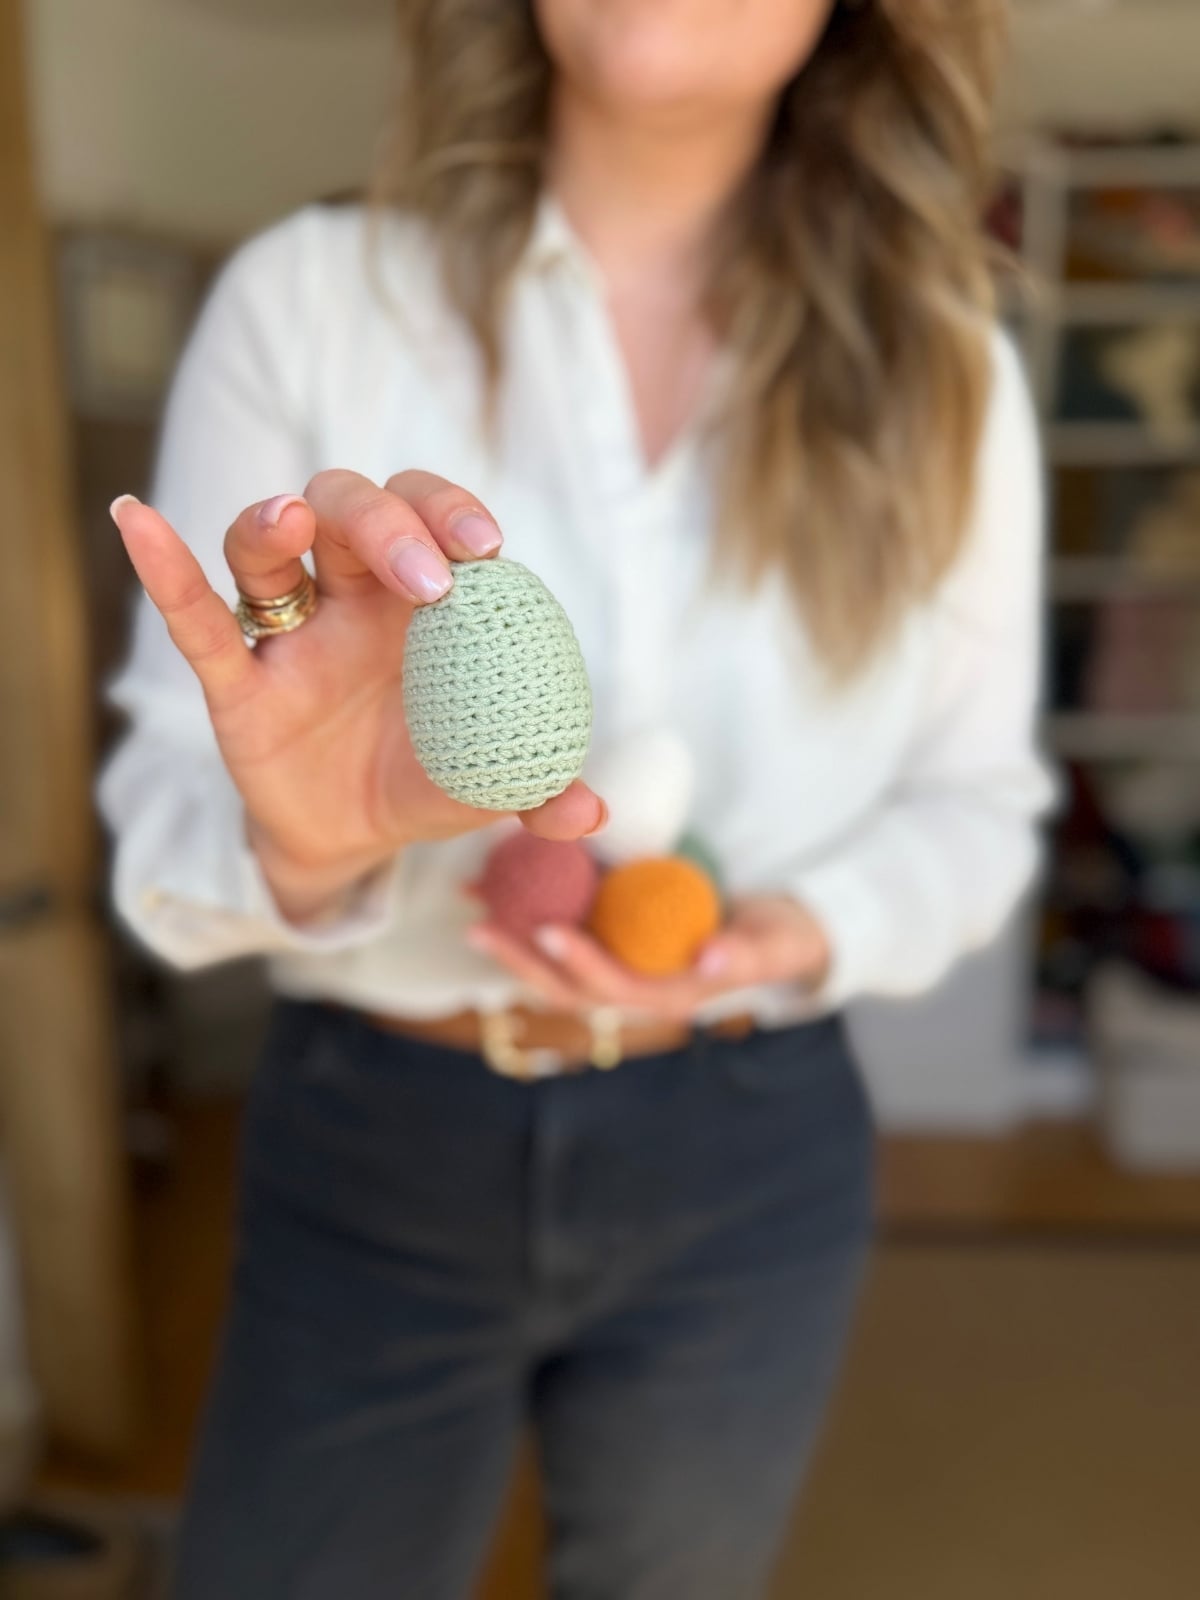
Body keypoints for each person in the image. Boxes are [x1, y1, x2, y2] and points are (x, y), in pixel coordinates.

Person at [102, 1, 1050, 1595]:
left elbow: (976, 807)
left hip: (751, 1144)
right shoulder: (312, 300)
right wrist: (309, 844)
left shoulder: (945, 365)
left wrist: (782, 935)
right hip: (380, 1131)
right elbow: (159, 825)